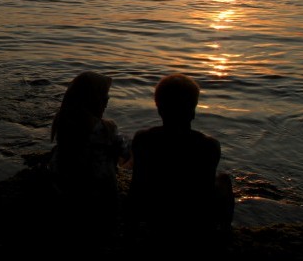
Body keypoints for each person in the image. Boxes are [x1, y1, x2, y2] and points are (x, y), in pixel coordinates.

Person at [128, 73, 235, 243]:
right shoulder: (209, 145)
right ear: (193, 111)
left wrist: (131, 227)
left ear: (159, 109)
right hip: (192, 220)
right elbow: (205, 190)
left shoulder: (142, 138)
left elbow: (136, 186)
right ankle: (225, 230)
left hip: (153, 213)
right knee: (223, 180)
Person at [47, 71, 131, 240]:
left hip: (64, 187)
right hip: (99, 192)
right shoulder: (106, 129)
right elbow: (126, 152)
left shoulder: (63, 121)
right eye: (104, 96)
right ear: (94, 99)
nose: (107, 100)